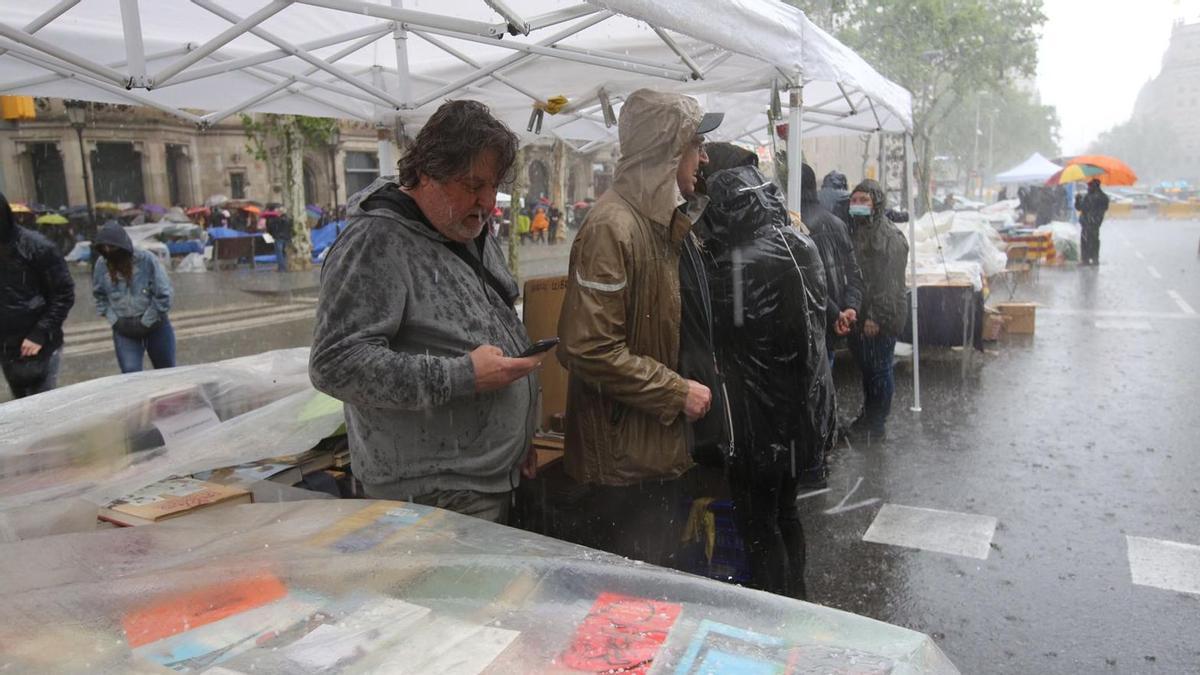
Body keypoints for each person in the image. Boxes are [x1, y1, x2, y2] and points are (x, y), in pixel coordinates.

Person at [309, 99, 543, 524]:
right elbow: (335, 364)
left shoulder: (468, 228)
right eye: (473, 185)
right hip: (432, 497)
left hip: (484, 478)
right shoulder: (375, 242)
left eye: (492, 186)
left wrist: (518, 433)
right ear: (426, 174)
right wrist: (461, 376)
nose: (488, 202)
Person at [557, 89, 722, 566]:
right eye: (696, 144)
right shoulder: (614, 226)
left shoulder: (654, 222)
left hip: (650, 454)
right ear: (669, 150)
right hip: (620, 470)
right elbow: (588, 348)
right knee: (629, 609)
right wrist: (675, 392)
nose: (704, 157)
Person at [705, 164, 836, 599]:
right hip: (804, 411)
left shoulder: (737, 262)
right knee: (786, 511)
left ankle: (774, 610)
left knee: (759, 524)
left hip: (758, 419)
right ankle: (796, 597)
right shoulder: (801, 244)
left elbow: (722, 329)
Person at [846, 179, 908, 440]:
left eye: (864, 200)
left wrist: (876, 317)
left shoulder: (889, 237)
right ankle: (869, 415)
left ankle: (877, 423)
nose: (858, 205)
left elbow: (890, 283)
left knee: (880, 369)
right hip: (861, 314)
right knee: (868, 368)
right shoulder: (858, 230)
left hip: (882, 316)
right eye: (855, 200)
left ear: (876, 203)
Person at [0, 192, 75, 398]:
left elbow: (63, 293)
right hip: (7, 347)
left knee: (44, 405)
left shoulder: (38, 247)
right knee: (22, 405)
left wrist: (40, 333)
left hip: (40, 343)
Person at [92, 221, 176, 373]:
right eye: (104, 248)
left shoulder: (146, 260)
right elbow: (99, 296)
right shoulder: (102, 264)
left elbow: (164, 293)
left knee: (166, 372)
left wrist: (146, 321)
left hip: (155, 327)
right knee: (130, 374)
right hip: (124, 330)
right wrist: (115, 320)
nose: (108, 251)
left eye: (112, 247)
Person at [1076, 179, 1110, 265]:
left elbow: (1081, 207)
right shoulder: (1103, 197)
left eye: (1089, 186)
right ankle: (1094, 258)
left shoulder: (1090, 197)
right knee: (1094, 241)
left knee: (1086, 241)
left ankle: (1086, 259)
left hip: (1088, 222)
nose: (1088, 187)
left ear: (1093, 186)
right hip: (1095, 223)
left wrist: (1078, 199)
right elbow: (1105, 208)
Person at [266, 207, 292, 272]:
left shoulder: (276, 220)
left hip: (278, 238)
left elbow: (270, 229)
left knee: (279, 254)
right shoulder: (289, 219)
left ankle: (281, 268)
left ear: (280, 212)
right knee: (284, 253)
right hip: (287, 238)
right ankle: (286, 266)